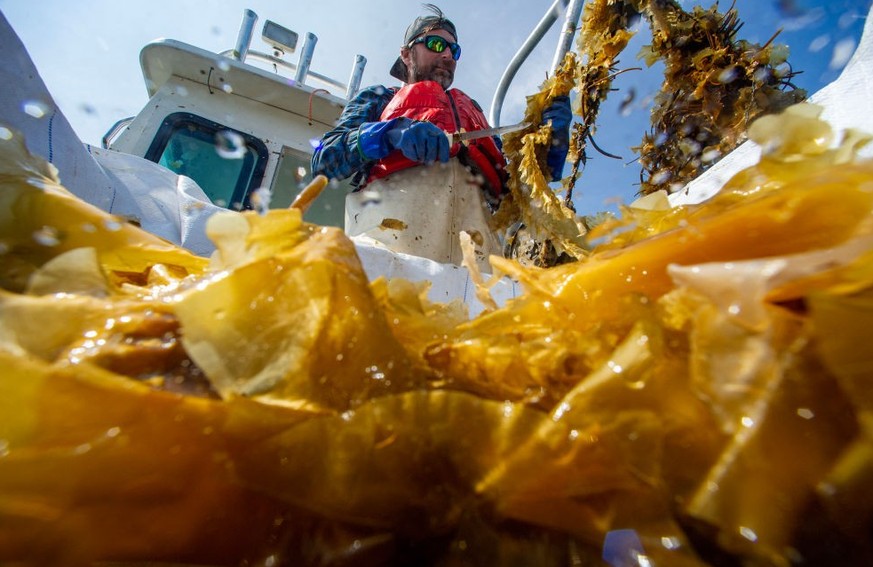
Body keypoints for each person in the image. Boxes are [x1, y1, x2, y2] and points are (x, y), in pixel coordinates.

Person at [311, 4, 572, 269]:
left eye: (454, 50)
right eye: (436, 44)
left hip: (475, 278)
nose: (447, 55)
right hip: (389, 263)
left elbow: (517, 196)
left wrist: (551, 145)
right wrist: (390, 133)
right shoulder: (378, 98)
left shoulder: (475, 118)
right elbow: (323, 161)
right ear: (406, 54)